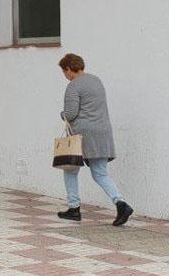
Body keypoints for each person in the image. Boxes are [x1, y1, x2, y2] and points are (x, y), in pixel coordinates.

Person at [56, 53, 133, 226]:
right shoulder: (96, 80)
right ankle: (121, 203)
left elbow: (70, 114)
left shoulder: (73, 86)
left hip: (83, 135)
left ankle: (74, 208)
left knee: (70, 169)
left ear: (69, 69)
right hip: (102, 132)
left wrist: (62, 114)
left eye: (64, 72)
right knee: (100, 173)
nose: (65, 76)